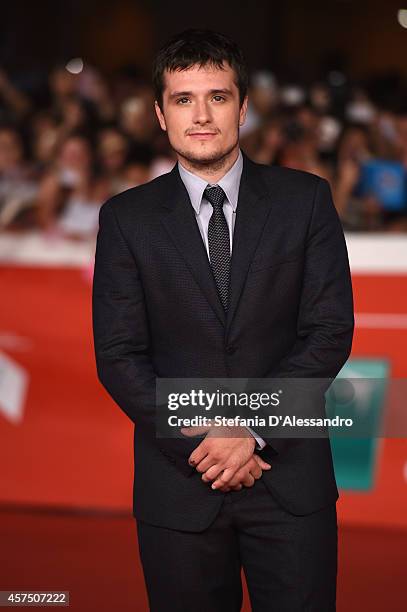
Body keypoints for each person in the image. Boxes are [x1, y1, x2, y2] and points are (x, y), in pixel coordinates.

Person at [92, 29, 354, 612]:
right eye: (184, 99)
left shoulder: (306, 200)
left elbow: (329, 331)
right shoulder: (126, 219)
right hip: (180, 482)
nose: (202, 115)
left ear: (244, 106)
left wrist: (251, 431)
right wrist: (208, 439)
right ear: (160, 115)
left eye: (218, 96)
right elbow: (119, 354)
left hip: (288, 476)